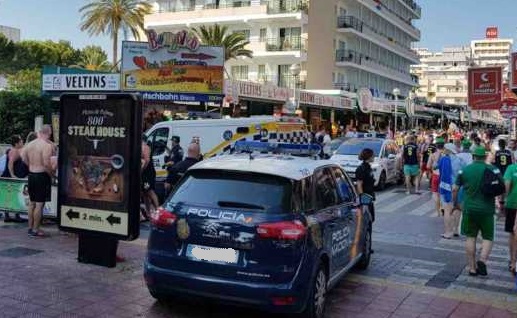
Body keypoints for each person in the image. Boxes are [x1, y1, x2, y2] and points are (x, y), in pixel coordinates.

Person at [453, 146, 499, 276]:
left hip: (469, 209)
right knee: (488, 237)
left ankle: (472, 268)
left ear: (473, 157)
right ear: (485, 157)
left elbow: (455, 189)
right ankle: (482, 261)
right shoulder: (492, 169)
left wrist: (456, 203)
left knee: (470, 237)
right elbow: (501, 187)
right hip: (487, 209)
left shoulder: (465, 170)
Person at [20, 125, 55, 237]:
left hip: (31, 174)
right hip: (41, 175)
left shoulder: (29, 144)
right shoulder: (46, 146)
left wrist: (31, 165)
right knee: (39, 204)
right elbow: (46, 163)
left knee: (32, 203)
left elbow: (23, 157)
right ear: (49, 133)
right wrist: (51, 174)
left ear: (40, 132)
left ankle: (30, 227)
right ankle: (36, 230)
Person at [1, 135, 29, 222]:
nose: (22, 142)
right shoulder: (15, 151)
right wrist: (13, 175)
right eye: (21, 141)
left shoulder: (12, 150)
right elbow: (10, 163)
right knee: (14, 195)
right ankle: (14, 216)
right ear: (16, 143)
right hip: (11, 177)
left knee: (9, 195)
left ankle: (8, 215)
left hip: (8, 176)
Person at [503, 159, 517, 275]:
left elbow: (506, 185)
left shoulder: (511, 168)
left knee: (512, 233)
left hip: (512, 203)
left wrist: (503, 199)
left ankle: (513, 261)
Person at [355, 148, 376, 223]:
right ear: (369, 156)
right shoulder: (361, 169)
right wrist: (363, 199)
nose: (374, 156)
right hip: (365, 198)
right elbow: (359, 184)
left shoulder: (368, 167)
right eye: (373, 155)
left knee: (371, 219)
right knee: (366, 220)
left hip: (369, 196)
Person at [141, 138, 159, 220]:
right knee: (144, 193)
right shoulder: (140, 146)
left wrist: (141, 170)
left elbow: (147, 160)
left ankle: (158, 211)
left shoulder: (145, 147)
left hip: (148, 173)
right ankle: (148, 213)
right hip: (144, 173)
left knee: (150, 191)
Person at [428, 137, 445, 217]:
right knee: (443, 194)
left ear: (436, 146)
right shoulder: (446, 155)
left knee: (435, 194)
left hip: (435, 175)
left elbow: (428, 166)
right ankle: (443, 208)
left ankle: (438, 212)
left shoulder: (432, 155)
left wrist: (432, 168)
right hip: (444, 176)